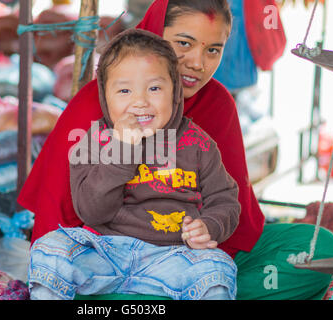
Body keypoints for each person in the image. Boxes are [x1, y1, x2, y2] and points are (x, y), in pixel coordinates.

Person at [18, 0, 333, 300]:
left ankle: (176, 292)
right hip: (106, 260)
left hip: (184, 259)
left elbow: (228, 203)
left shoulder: (216, 105)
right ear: (153, 39)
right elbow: (67, 221)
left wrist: (206, 233)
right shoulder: (97, 107)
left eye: (213, 50)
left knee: (317, 249)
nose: (197, 63)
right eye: (183, 44)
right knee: (57, 258)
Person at [28, 28, 240, 300]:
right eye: (125, 90)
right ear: (105, 97)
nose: (140, 102)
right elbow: (93, 211)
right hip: (104, 252)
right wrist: (122, 149)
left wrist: (210, 225)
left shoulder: (199, 144)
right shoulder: (93, 142)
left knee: (217, 269)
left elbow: (225, 200)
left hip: (172, 257)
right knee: (49, 250)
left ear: (175, 91)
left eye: (154, 88)